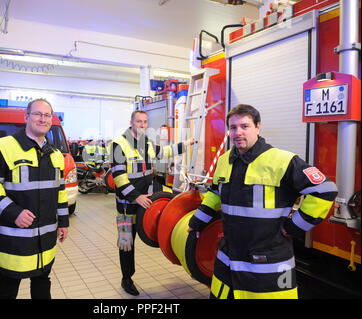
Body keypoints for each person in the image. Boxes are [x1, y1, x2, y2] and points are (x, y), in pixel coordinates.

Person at [188, 104, 338, 299]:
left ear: (258, 127)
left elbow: (325, 190)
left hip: (267, 264)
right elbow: (216, 192)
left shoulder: (282, 160)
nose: (238, 132)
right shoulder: (225, 160)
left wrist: (294, 227)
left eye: (245, 126)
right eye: (233, 127)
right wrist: (198, 220)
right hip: (228, 258)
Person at [0, 99, 69, 299]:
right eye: (37, 114)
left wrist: (63, 222)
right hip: (15, 237)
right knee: (7, 289)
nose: (42, 119)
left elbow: (60, 192)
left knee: (42, 284)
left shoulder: (55, 154)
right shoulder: (3, 147)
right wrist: (14, 212)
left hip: (45, 238)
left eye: (47, 115)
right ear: (26, 117)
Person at [110, 110, 194, 296]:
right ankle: (126, 279)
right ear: (131, 122)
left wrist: (186, 144)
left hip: (146, 204)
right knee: (126, 243)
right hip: (127, 206)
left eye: (145, 122)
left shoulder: (146, 143)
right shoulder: (118, 145)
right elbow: (118, 177)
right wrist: (136, 197)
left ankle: (128, 277)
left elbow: (164, 151)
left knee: (146, 235)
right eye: (138, 121)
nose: (142, 125)